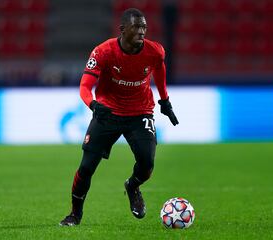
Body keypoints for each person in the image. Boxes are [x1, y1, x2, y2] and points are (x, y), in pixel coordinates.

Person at [60, 8, 179, 226]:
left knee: (147, 163)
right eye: (137, 26)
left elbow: (159, 70)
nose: (142, 31)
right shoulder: (103, 52)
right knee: (86, 167)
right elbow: (85, 86)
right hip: (107, 113)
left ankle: (133, 185)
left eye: (144, 26)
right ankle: (75, 214)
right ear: (123, 29)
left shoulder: (155, 51)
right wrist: (93, 104)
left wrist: (165, 101)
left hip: (140, 111)